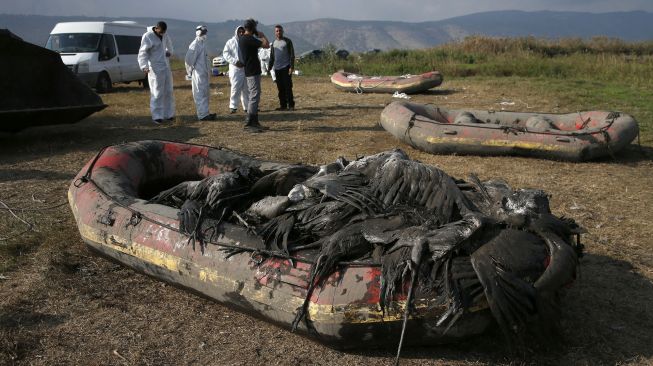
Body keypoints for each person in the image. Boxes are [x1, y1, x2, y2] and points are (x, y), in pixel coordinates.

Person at [138, 21, 175, 124]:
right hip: (155, 68)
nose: (162, 34)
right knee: (157, 92)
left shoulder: (165, 34)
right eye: (161, 32)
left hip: (166, 66)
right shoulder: (148, 36)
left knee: (168, 91)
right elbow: (142, 53)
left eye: (164, 32)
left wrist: (169, 51)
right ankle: (157, 116)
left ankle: (169, 114)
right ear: (157, 28)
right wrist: (144, 66)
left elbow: (169, 44)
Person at [238, 18, 269, 133]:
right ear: (252, 28)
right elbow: (266, 45)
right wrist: (262, 35)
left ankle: (254, 122)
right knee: (254, 95)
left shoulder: (242, 39)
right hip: (252, 71)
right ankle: (250, 122)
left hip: (250, 70)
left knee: (255, 94)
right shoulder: (249, 39)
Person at [185, 25, 216, 121]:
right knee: (199, 94)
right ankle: (202, 115)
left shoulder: (202, 43)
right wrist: (189, 72)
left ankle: (205, 113)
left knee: (205, 94)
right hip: (198, 74)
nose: (205, 34)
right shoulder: (195, 44)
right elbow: (188, 60)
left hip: (204, 73)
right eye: (203, 32)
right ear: (198, 32)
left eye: (205, 32)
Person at [268, 25, 295, 111]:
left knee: (288, 87)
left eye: (280, 30)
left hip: (286, 67)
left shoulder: (287, 41)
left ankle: (291, 105)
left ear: (282, 31)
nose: (278, 32)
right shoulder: (273, 43)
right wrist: (269, 67)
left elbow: (292, 55)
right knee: (280, 88)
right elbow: (272, 56)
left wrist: (291, 67)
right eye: (277, 31)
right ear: (275, 32)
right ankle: (283, 105)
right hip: (277, 69)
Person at [222, 26, 249, 114]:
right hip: (235, 68)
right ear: (236, 32)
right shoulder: (230, 42)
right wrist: (235, 61)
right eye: (239, 32)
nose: (241, 33)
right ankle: (233, 107)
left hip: (245, 68)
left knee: (246, 88)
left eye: (242, 32)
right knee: (235, 88)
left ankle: (247, 107)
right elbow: (225, 54)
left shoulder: (246, 41)